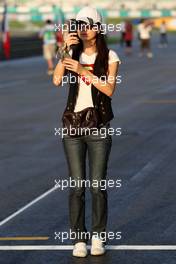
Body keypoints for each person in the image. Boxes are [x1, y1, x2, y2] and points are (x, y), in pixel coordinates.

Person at [53, 6, 121, 258]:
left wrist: (83, 71)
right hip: (72, 128)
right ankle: (78, 239)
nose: (83, 29)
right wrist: (64, 50)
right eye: (80, 25)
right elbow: (57, 80)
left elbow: (109, 90)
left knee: (97, 186)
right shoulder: (72, 52)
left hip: (98, 128)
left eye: (88, 25)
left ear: (99, 28)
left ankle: (98, 237)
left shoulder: (110, 56)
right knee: (77, 186)